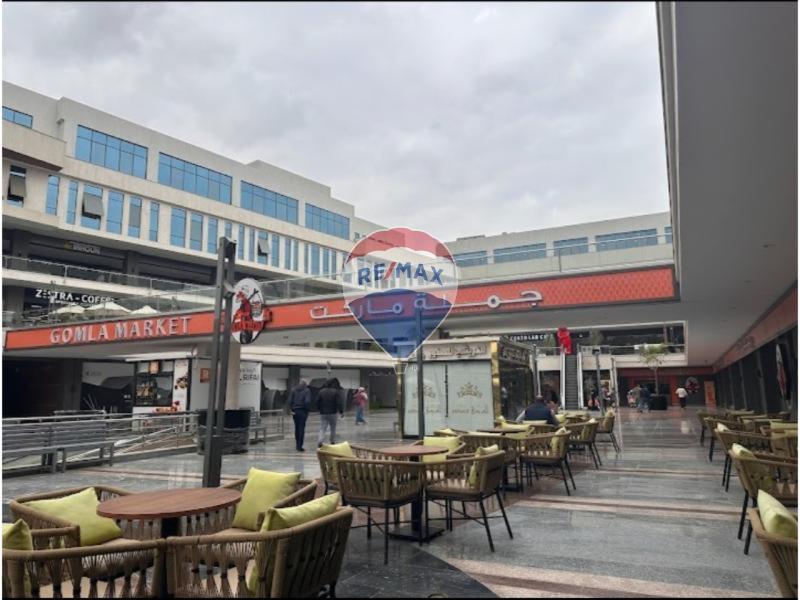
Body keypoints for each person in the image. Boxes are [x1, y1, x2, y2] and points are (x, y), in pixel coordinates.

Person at [317, 378, 344, 447]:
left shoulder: (321, 391)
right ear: (332, 384)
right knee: (333, 428)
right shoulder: (335, 392)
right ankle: (332, 441)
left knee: (323, 427)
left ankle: (320, 440)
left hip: (323, 413)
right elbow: (339, 403)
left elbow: (317, 402)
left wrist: (320, 409)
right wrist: (341, 412)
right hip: (333, 412)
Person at [288, 379, 311, 452]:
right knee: (301, 428)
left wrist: (291, 409)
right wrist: (307, 410)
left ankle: (297, 444)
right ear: (305, 384)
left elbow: (290, 401)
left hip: (295, 411)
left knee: (296, 428)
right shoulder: (307, 390)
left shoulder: (293, 390)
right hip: (303, 411)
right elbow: (307, 401)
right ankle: (299, 446)